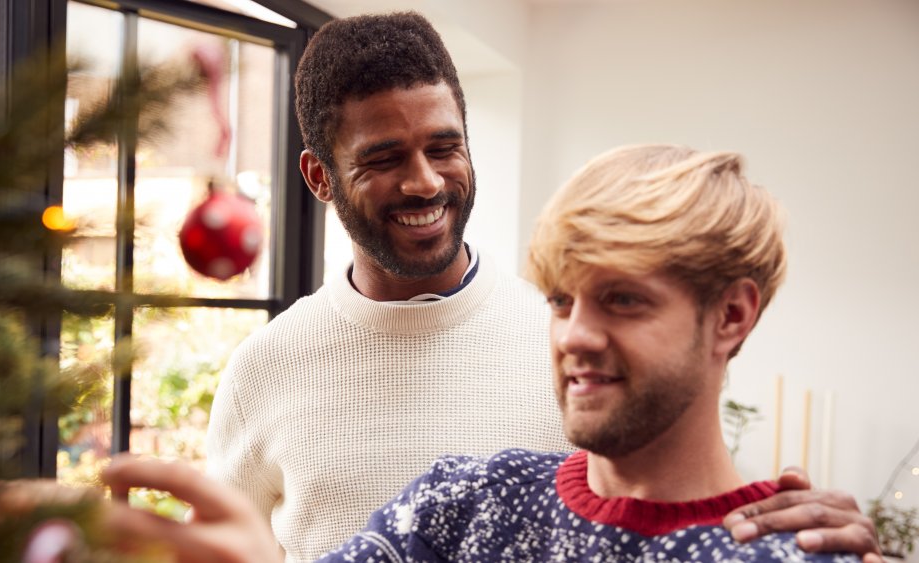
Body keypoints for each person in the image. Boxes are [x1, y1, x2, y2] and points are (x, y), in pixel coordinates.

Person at [203, 10, 878, 562]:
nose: (425, 183)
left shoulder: (552, 350)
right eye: (383, 158)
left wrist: (803, 537)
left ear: (731, 317)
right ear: (319, 178)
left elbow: (673, 486)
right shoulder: (471, 492)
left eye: (444, 147)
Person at [102, 144, 879, 562]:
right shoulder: (466, 500)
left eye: (625, 300)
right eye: (561, 299)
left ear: (732, 315)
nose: (574, 333)